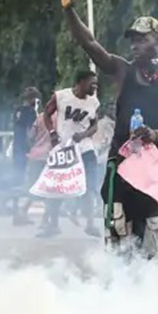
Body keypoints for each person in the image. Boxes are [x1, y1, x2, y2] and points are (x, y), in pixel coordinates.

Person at [59, 0, 158, 258]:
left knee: (148, 239)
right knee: (117, 231)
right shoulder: (122, 70)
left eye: (142, 39)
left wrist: (154, 135)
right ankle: (117, 291)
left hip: (151, 170)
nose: (135, 45)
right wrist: (70, 9)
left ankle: (143, 292)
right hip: (118, 165)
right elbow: (89, 44)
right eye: (132, 39)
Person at [39, 71, 101, 238]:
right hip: (64, 149)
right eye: (92, 83)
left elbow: (95, 126)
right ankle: (53, 225)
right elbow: (46, 113)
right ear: (80, 82)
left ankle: (90, 224)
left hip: (86, 150)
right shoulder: (61, 96)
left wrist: (84, 135)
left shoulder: (94, 102)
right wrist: (52, 132)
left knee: (89, 187)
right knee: (56, 188)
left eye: (96, 84)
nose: (95, 87)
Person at [12, 87, 40, 185]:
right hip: (26, 147)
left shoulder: (17, 110)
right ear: (33, 99)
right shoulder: (30, 112)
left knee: (18, 170)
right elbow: (30, 131)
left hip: (16, 145)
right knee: (28, 171)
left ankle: (17, 187)